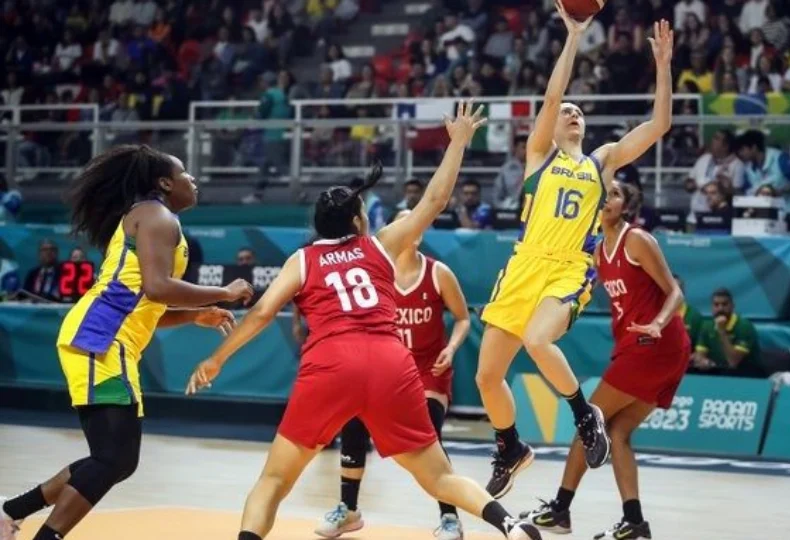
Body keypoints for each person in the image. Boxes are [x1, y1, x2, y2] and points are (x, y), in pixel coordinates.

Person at [184, 102, 543, 540]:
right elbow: (434, 200)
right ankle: (509, 524)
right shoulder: (379, 246)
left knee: (274, 481)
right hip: (392, 362)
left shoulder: (304, 257)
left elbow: (261, 312)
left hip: (331, 363)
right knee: (438, 477)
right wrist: (459, 142)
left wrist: (217, 357)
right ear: (359, 221)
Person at [0, 145, 253, 540]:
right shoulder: (156, 215)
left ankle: (11, 512)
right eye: (186, 173)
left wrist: (191, 315)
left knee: (117, 460)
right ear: (165, 183)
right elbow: (156, 288)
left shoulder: (155, 217)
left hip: (108, 340)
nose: (194, 180)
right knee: (113, 457)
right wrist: (221, 292)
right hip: (100, 339)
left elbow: (146, 304)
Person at [475, 6, 675, 498]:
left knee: (541, 341)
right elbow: (551, 95)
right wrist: (573, 35)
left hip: (567, 269)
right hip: (524, 264)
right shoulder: (539, 155)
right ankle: (510, 446)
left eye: (579, 111)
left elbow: (659, 125)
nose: (573, 112)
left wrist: (664, 67)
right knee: (486, 377)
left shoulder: (601, 163)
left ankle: (585, 417)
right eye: (569, 112)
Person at [518, 180, 690, 540]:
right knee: (618, 433)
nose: (606, 199)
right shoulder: (598, 248)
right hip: (646, 347)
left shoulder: (637, 240)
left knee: (589, 421)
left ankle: (561, 510)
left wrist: (658, 323)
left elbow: (674, 290)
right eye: (603, 192)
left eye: (614, 194)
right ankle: (635, 523)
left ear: (626, 205)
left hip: (654, 343)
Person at [313, 208, 472, 540]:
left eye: (411, 221)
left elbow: (462, 318)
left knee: (429, 434)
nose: (405, 227)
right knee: (353, 421)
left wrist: (452, 347)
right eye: (399, 221)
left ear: (419, 233)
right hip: (386, 371)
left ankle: (449, 518)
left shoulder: (438, 273)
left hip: (428, 371)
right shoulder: (371, 275)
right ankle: (348, 510)